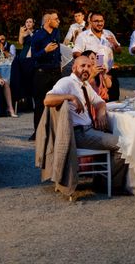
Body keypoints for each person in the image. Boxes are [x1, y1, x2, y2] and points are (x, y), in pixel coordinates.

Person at [43, 56, 127, 189]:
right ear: (74, 67)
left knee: (116, 136)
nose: (86, 69)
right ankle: (111, 186)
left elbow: (99, 102)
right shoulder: (67, 82)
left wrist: (100, 112)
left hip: (89, 131)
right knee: (124, 145)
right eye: (83, 66)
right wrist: (70, 97)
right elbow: (47, 100)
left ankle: (101, 181)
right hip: (78, 134)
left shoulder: (85, 85)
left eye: (89, 66)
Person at [29, 10, 62, 140]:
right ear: (49, 21)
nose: (58, 21)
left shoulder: (56, 32)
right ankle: (38, 132)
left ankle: (56, 131)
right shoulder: (37, 36)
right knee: (40, 103)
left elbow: (58, 51)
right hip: (41, 73)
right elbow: (33, 56)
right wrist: (45, 50)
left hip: (55, 72)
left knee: (58, 102)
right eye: (56, 19)